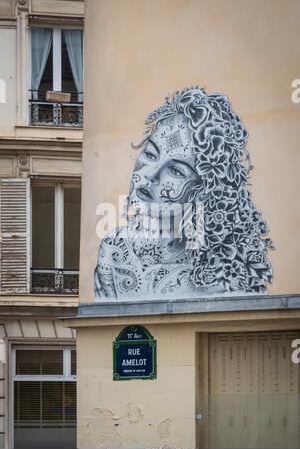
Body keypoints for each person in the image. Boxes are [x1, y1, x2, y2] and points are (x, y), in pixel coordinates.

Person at [94, 87, 273, 301]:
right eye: (150, 153)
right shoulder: (114, 248)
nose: (151, 175)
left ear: (205, 191)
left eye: (176, 170)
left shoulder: (220, 273)